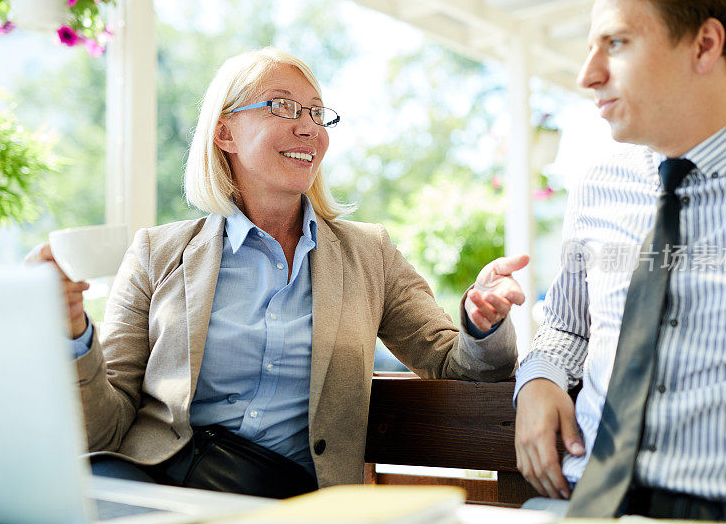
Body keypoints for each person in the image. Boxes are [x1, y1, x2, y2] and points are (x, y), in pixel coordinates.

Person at [27, 48, 527, 499]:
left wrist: (481, 322)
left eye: (316, 111)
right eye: (281, 106)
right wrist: (71, 334)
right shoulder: (156, 254)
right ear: (224, 133)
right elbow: (103, 433)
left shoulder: (368, 254)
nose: (308, 127)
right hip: (160, 486)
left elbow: (456, 365)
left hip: (288, 499)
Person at [513, 0, 726, 521]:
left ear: (705, 45)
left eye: (616, 43)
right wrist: (540, 378)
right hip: (582, 502)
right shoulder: (597, 183)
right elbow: (568, 327)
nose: (587, 75)